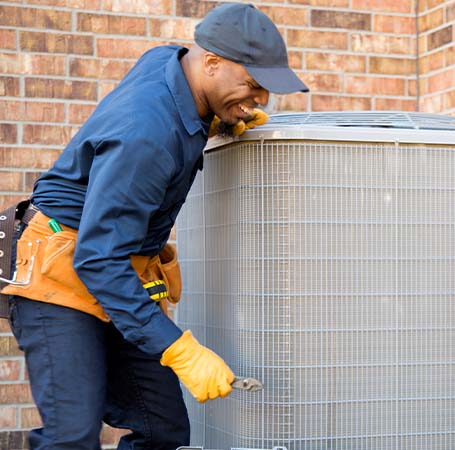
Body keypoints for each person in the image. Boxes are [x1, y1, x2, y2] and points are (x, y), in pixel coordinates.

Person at [0, 3, 307, 448]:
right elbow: (97, 258)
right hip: (61, 276)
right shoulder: (147, 133)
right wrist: (179, 348)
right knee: (72, 435)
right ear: (212, 63)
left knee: (162, 429)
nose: (260, 100)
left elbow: (172, 94)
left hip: (118, 271)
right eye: (254, 85)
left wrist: (219, 120)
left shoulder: (173, 66)